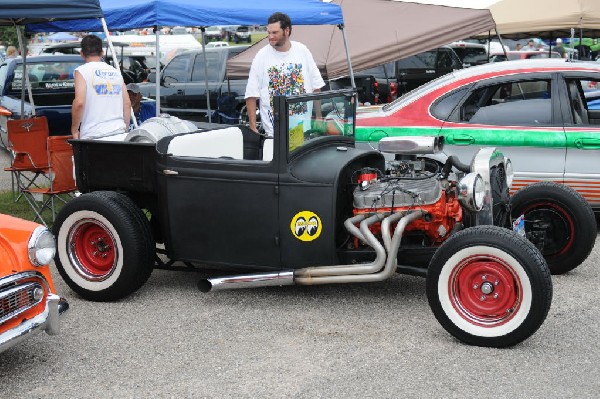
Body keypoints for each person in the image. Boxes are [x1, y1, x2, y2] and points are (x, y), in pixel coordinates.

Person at [245, 12, 324, 137]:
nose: (270, 36)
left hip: (302, 129)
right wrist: (253, 127)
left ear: (287, 31)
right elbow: (251, 93)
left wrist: (319, 117)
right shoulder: (262, 55)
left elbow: (316, 85)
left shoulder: (302, 51)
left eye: (274, 33)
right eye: (268, 32)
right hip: (274, 132)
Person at [71, 34, 130, 139]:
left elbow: (79, 103)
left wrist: (74, 130)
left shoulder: (81, 71)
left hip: (93, 134)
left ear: (81, 53)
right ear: (102, 52)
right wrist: (125, 128)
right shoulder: (115, 71)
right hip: (119, 132)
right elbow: (126, 103)